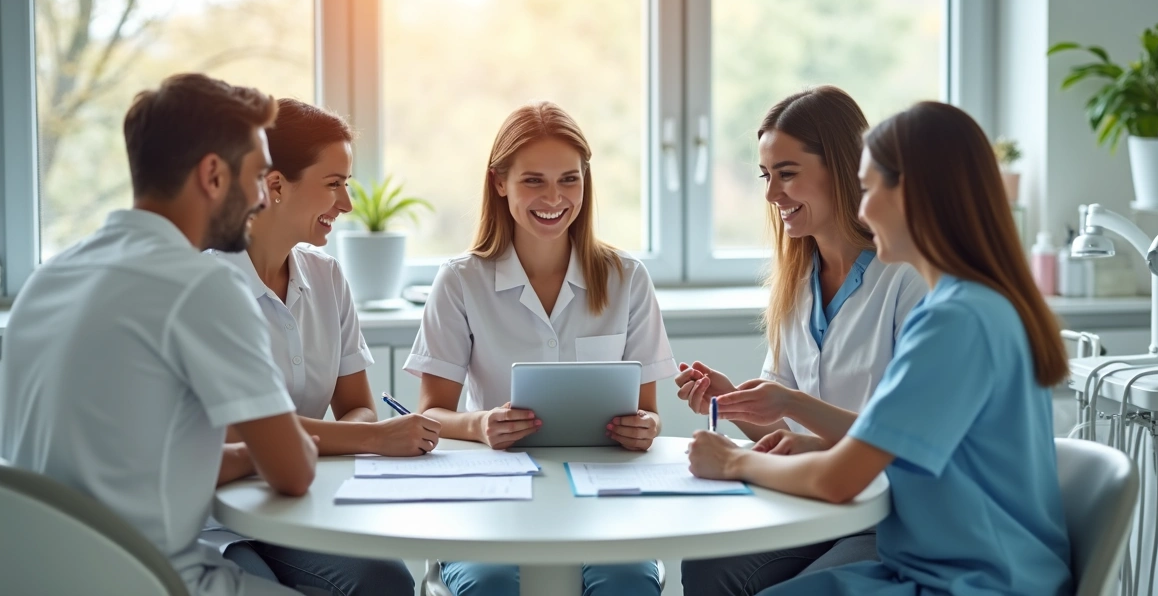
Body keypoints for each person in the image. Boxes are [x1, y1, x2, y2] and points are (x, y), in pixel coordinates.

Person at [687, 101, 1073, 595]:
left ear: (910, 195)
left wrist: (733, 461)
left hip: (977, 580)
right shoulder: (972, 305)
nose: (862, 208)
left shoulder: (955, 320)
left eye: (868, 190)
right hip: (926, 561)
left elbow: (838, 479)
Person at [0, 73, 318, 596]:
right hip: (151, 581)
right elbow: (293, 471)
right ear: (213, 174)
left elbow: (113, 464)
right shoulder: (202, 287)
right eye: (259, 175)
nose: (263, 197)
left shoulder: (50, 278)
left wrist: (227, 458)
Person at [406, 101, 677, 596]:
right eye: (534, 180)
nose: (554, 197)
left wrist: (646, 429)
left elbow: (651, 414)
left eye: (569, 180)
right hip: (492, 496)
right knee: (488, 584)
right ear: (499, 182)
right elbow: (432, 415)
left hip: (603, 497)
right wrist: (481, 424)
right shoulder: (460, 281)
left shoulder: (627, 279)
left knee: (628, 584)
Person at [675, 86, 926, 596]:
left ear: (844, 168)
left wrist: (787, 404)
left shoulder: (906, 278)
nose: (771, 195)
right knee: (706, 568)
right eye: (766, 176)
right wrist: (732, 402)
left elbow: (907, 443)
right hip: (817, 496)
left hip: (890, 508)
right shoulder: (795, 279)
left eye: (787, 174)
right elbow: (785, 426)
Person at [205, 98, 438, 594]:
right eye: (334, 185)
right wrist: (371, 440)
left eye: (347, 186)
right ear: (275, 186)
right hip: (216, 514)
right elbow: (228, 430)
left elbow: (357, 408)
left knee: (387, 581)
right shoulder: (205, 283)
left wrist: (362, 432)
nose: (347, 205)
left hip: (304, 504)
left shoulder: (327, 277)